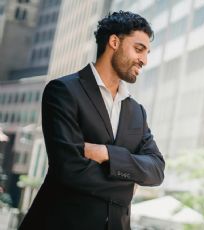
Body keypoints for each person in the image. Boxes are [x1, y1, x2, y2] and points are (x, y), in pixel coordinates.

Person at [19, 11, 165, 230]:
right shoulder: (63, 91)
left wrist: (106, 154)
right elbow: (69, 169)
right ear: (114, 42)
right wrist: (129, 186)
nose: (144, 60)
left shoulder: (137, 112)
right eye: (139, 49)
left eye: (147, 52)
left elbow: (156, 169)